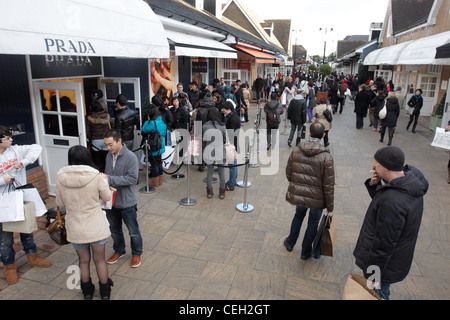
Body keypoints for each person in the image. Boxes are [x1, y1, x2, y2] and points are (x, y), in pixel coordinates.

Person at [353, 146, 429, 300]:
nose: (373, 165)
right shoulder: (409, 185)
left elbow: (383, 243)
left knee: (377, 294)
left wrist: (373, 274)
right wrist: (376, 186)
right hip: (395, 260)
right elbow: (383, 211)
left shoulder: (393, 201)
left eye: (376, 162)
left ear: (386, 167)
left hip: (384, 266)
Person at [56, 145, 113, 300]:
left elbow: (60, 202)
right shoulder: (96, 177)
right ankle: (105, 292)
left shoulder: (61, 178)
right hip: (95, 225)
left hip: (75, 226)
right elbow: (107, 197)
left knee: (83, 261)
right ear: (87, 157)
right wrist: (104, 182)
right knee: (100, 260)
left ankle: (87, 292)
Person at [0, 127, 52, 285]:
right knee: (5, 238)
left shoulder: (15, 151)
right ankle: (9, 267)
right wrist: (3, 180)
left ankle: (32, 257)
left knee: (27, 229)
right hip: (3, 201)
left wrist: (23, 162)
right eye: (7, 138)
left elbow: (37, 148)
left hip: (20, 195)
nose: (11, 140)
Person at [284, 122, 335, 260]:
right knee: (313, 223)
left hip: (300, 195)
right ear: (323, 136)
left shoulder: (296, 150)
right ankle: (305, 252)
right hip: (317, 199)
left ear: (309, 134)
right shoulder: (327, 158)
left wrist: (296, 184)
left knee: (298, 217)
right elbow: (329, 185)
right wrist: (330, 206)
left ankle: (290, 243)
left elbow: (289, 172)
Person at [103, 129, 143, 268]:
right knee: (115, 230)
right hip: (111, 201)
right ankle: (119, 250)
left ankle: (137, 253)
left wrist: (109, 179)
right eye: (106, 145)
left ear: (119, 140)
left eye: (110, 144)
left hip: (127, 202)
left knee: (133, 231)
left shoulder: (130, 157)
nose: (108, 148)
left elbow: (132, 179)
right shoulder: (109, 156)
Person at [202, 108, 227, 199]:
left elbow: (204, 138)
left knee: (210, 171)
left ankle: (209, 191)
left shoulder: (205, 126)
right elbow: (225, 139)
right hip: (220, 150)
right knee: (221, 172)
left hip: (209, 150)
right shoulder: (222, 126)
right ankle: (222, 192)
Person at [142, 106, 166, 187]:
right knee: (159, 163)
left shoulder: (151, 123)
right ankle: (160, 180)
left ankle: (155, 182)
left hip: (153, 147)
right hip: (160, 146)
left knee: (154, 164)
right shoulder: (162, 121)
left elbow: (143, 130)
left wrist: (146, 121)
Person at [221, 101, 240, 191]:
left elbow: (231, 133)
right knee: (234, 164)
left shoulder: (232, 119)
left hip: (231, 144)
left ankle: (231, 184)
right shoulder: (234, 116)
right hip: (234, 143)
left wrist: (228, 143)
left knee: (232, 165)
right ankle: (233, 180)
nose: (222, 110)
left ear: (228, 109)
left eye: (224, 109)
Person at [86, 101, 110, 172]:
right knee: (107, 160)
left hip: (95, 141)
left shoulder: (89, 118)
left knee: (97, 161)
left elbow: (87, 131)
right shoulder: (106, 116)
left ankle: (100, 176)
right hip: (106, 140)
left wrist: (89, 138)